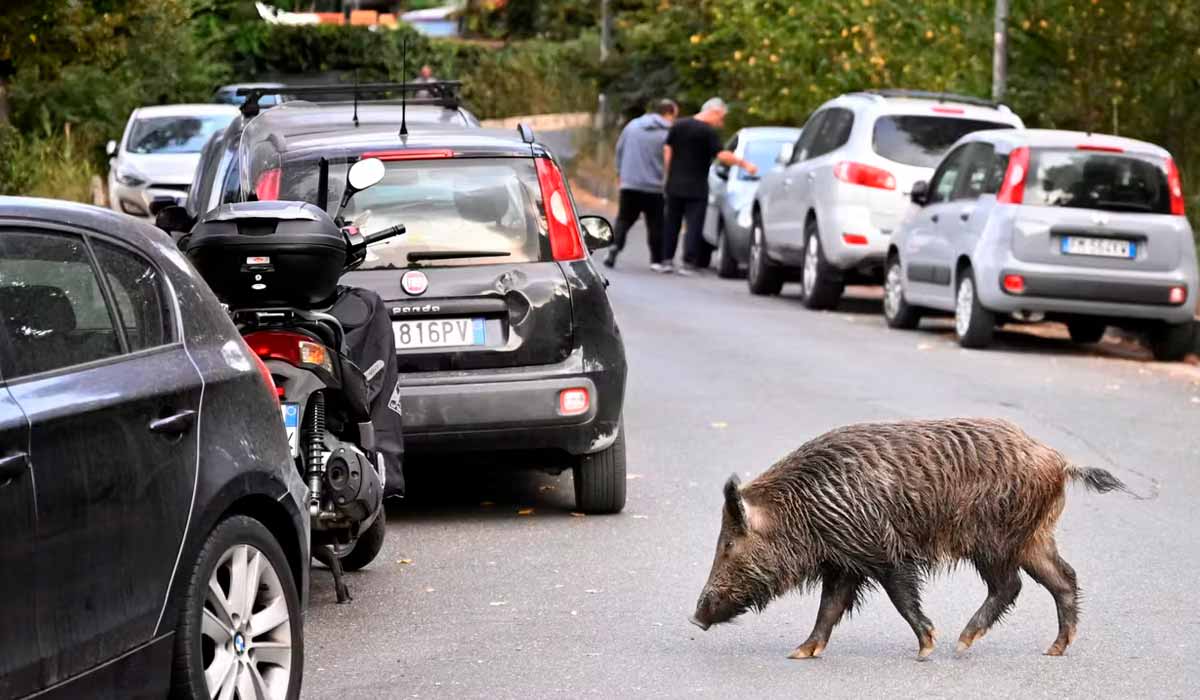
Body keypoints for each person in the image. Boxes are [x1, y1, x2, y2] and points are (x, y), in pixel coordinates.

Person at [661, 97, 757, 274]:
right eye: (721, 117)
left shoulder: (679, 125)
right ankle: (688, 262)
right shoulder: (708, 132)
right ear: (714, 112)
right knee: (694, 225)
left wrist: (669, 173)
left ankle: (666, 260)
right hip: (697, 187)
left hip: (674, 183)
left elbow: (668, 149)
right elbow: (722, 155)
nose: (721, 122)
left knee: (671, 223)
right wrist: (745, 165)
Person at [606, 99, 678, 270]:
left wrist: (620, 173)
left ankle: (614, 246)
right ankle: (656, 260)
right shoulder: (669, 132)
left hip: (630, 183)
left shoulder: (633, 126)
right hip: (655, 186)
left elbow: (619, 149)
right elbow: (670, 159)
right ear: (668, 113)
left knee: (624, 219)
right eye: (675, 115)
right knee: (656, 223)